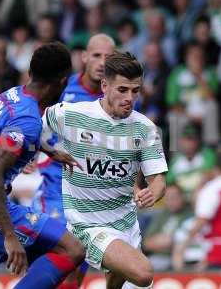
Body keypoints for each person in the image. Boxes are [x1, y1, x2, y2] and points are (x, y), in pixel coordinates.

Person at [0, 42, 86, 289]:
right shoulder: (27, 120)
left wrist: (48, 150)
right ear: (61, 81)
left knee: (53, 262)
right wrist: (10, 237)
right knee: (73, 250)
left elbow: (1, 139)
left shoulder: (12, 95)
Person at [42, 51, 168, 288]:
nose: (130, 98)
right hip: (86, 224)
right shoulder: (71, 114)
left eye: (135, 91)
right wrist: (38, 153)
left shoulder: (145, 128)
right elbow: (28, 119)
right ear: (105, 86)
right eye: (122, 90)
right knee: (143, 272)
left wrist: (153, 191)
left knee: (137, 282)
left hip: (127, 226)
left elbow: (159, 180)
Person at [31, 33, 115, 288]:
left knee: (75, 273)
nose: (102, 62)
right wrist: (27, 151)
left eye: (108, 57)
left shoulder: (118, 98)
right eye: (97, 55)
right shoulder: (61, 90)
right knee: (61, 261)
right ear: (84, 57)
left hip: (91, 197)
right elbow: (32, 121)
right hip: (56, 189)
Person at [172, 153, 221, 270]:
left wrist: (182, 247)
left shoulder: (212, 189)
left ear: (215, 169)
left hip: (218, 251)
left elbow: (201, 220)